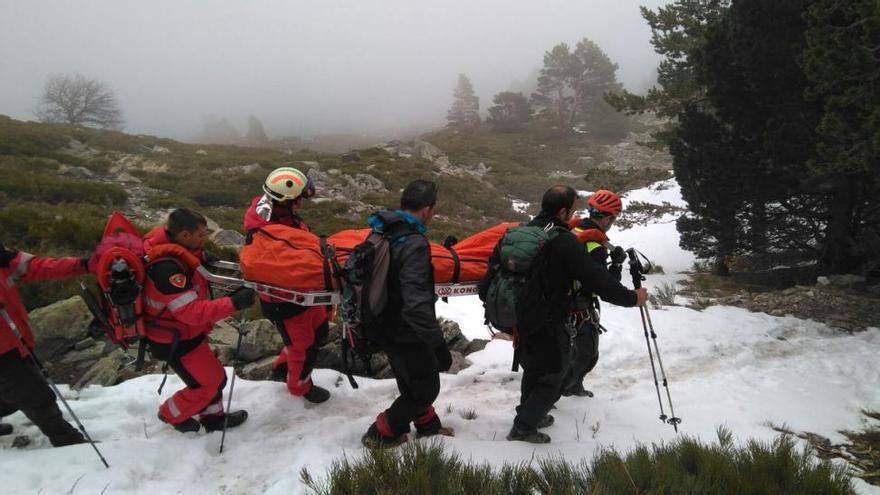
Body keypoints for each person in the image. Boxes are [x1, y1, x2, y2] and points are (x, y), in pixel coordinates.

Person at [495, 186, 647, 444]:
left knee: (534, 368)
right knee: (554, 372)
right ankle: (523, 428)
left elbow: (492, 273)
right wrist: (633, 298)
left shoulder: (520, 231)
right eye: (574, 211)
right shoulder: (562, 240)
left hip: (521, 314)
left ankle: (531, 414)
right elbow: (596, 280)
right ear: (563, 211)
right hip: (548, 317)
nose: (576, 216)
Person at [143, 208, 256, 433]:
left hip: (184, 334)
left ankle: (213, 418)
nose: (203, 239)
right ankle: (170, 414)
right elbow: (190, 312)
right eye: (200, 235)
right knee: (207, 384)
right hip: (173, 339)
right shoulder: (167, 269)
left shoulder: (176, 248)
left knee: (214, 379)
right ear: (184, 235)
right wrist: (233, 303)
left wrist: (200, 256)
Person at [361, 179, 454, 448]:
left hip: (382, 322)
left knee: (409, 379)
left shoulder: (382, 229)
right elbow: (416, 302)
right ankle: (382, 431)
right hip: (406, 330)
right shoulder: (413, 242)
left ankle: (427, 425)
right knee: (426, 388)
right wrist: (438, 345)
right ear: (426, 210)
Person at [243, 167, 331, 404]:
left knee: (319, 332)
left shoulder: (279, 217)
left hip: (303, 296)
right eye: (299, 199)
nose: (301, 203)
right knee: (302, 346)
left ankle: (283, 366)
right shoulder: (268, 234)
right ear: (287, 201)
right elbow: (287, 266)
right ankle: (299, 386)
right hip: (286, 302)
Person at [0, 243, 89, 446]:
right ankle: (67, 441)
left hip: (15, 339)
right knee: (35, 395)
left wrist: (83, 264)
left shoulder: (3, 257)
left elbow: (39, 266)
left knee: (12, 393)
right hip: (4, 351)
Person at [561, 190, 628, 398]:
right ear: (608, 218)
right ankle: (560, 389)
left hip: (566, 300)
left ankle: (571, 385)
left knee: (580, 352)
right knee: (587, 354)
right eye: (613, 219)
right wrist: (616, 265)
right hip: (578, 305)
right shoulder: (594, 244)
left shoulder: (575, 229)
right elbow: (605, 285)